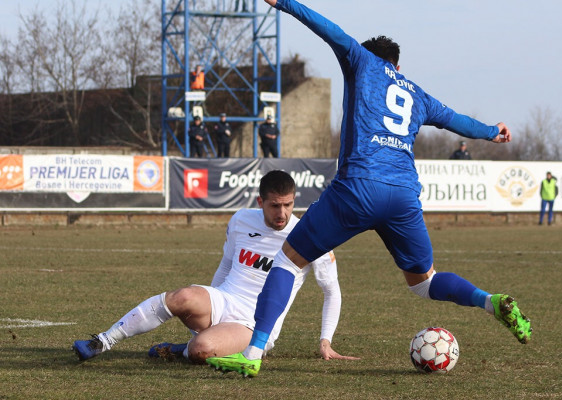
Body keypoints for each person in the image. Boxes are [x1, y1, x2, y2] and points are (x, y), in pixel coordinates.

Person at [206, 0, 532, 378]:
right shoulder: (416, 94)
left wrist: (285, 3)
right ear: (398, 65)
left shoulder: (360, 62)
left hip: (358, 188)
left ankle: (253, 353)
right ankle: (490, 302)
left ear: (368, 57)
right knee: (424, 283)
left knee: (287, 259)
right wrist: (493, 131)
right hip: (403, 197)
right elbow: (457, 120)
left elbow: (329, 30)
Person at [72, 170, 357, 365]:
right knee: (181, 296)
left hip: (254, 325)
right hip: (224, 299)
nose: (282, 213)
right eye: (274, 206)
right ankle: (102, 341)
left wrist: (325, 340)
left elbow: (332, 291)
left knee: (201, 350)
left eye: (288, 205)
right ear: (260, 202)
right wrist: (211, 298)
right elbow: (226, 264)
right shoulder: (242, 220)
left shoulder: (310, 235)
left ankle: (182, 350)